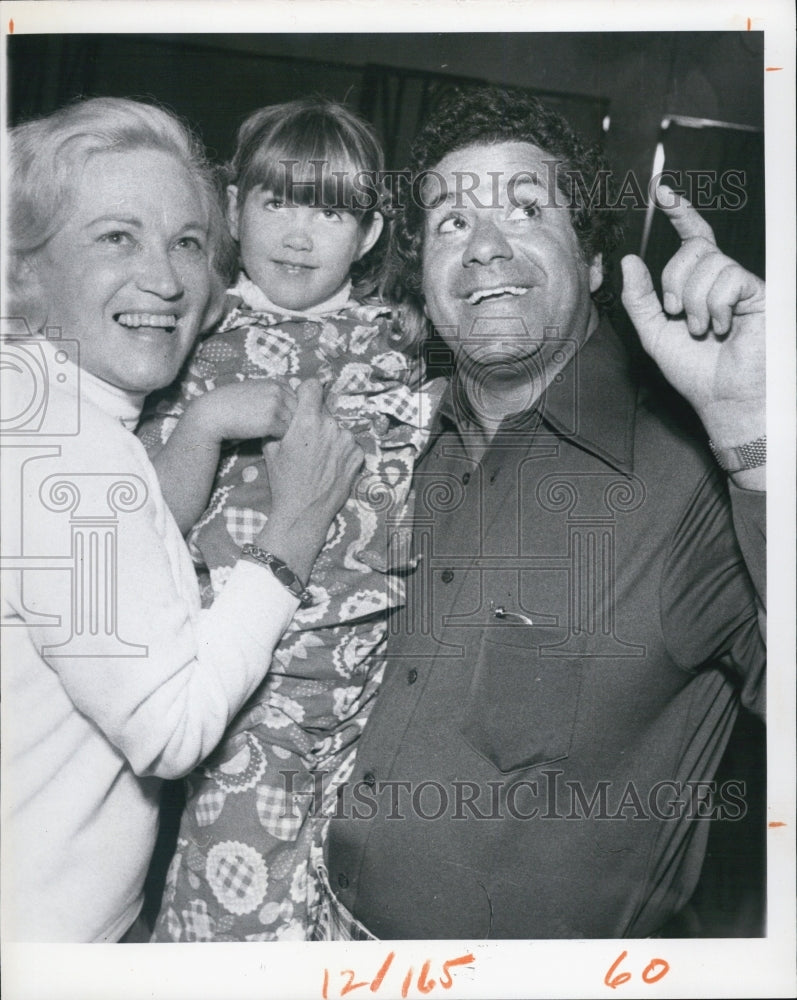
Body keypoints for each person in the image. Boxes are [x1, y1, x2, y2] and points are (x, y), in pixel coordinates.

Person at [320, 86, 766, 940]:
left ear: (592, 261)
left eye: (526, 210)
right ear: (423, 281)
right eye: (451, 222)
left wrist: (755, 436)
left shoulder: (692, 482)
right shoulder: (384, 445)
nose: (484, 246)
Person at [0, 96, 362, 943]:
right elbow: (171, 725)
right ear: (25, 270)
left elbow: (106, 582)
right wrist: (297, 524)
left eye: (188, 244)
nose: (164, 279)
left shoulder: (39, 408)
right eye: (115, 238)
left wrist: (199, 422)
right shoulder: (70, 452)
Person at [138, 99, 443, 941]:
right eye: (278, 202)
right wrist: (207, 424)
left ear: (370, 233)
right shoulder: (192, 330)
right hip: (251, 686)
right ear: (235, 207)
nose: (300, 235)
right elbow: (146, 524)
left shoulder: (401, 342)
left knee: (347, 909)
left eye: (330, 211)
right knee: (232, 901)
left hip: (380, 680)